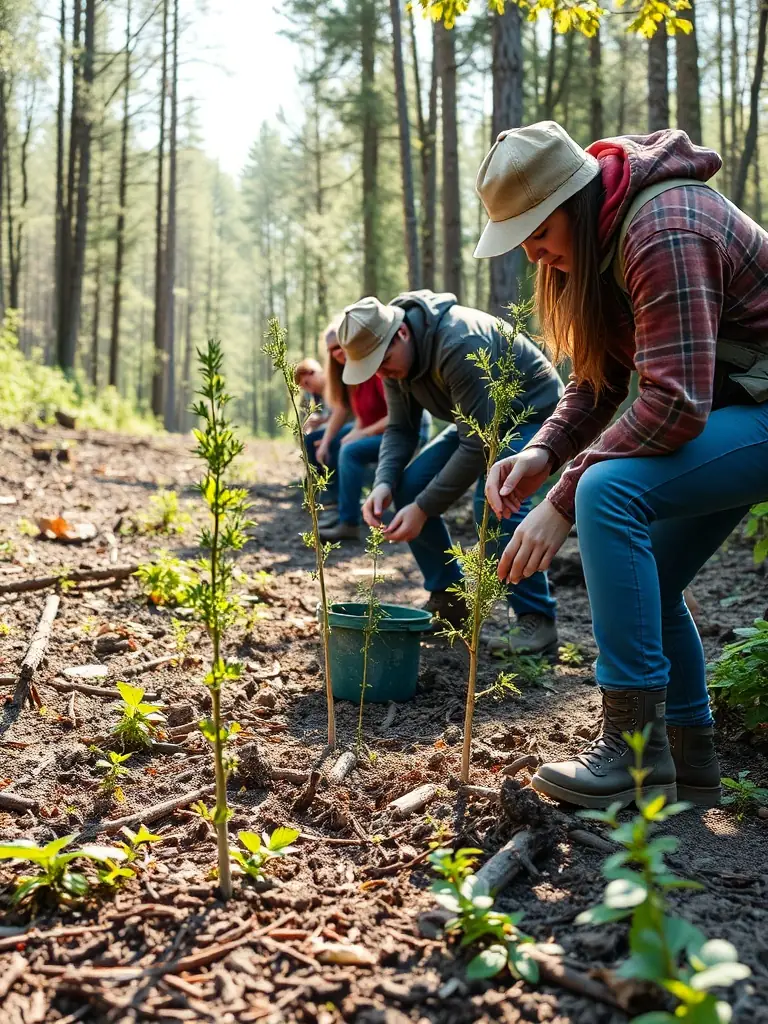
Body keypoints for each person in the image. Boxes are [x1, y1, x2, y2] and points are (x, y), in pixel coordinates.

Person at [479, 120, 768, 810]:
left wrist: (562, 497)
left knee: (606, 492)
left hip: (744, 408)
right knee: (647, 582)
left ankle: (630, 754)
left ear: (570, 203)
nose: (538, 256)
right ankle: (688, 756)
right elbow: (601, 378)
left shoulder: (663, 228)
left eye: (539, 236)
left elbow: (672, 403)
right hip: (740, 406)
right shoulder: (606, 236)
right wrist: (544, 452)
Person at [339, 290, 564, 655]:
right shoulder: (394, 361)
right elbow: (400, 429)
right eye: (374, 367)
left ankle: (536, 619)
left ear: (402, 333)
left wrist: (424, 509)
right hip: (474, 421)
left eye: (383, 361)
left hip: (531, 413)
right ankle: (450, 600)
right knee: (408, 485)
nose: (382, 372)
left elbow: (477, 445)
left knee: (495, 501)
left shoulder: (459, 342)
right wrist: (382, 482)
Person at [305, 322, 391, 540]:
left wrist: (361, 433)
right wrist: (328, 440)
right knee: (331, 443)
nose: (337, 353)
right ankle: (336, 506)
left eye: (340, 346)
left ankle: (348, 522)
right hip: (372, 427)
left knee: (349, 450)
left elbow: (396, 416)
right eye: (332, 349)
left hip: (395, 431)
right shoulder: (350, 376)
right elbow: (359, 414)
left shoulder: (375, 369)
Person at [294, 358, 328, 433]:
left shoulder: (335, 386)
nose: (310, 390)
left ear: (314, 372)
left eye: (307, 383)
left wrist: (323, 421)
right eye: (304, 388)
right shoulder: (316, 396)